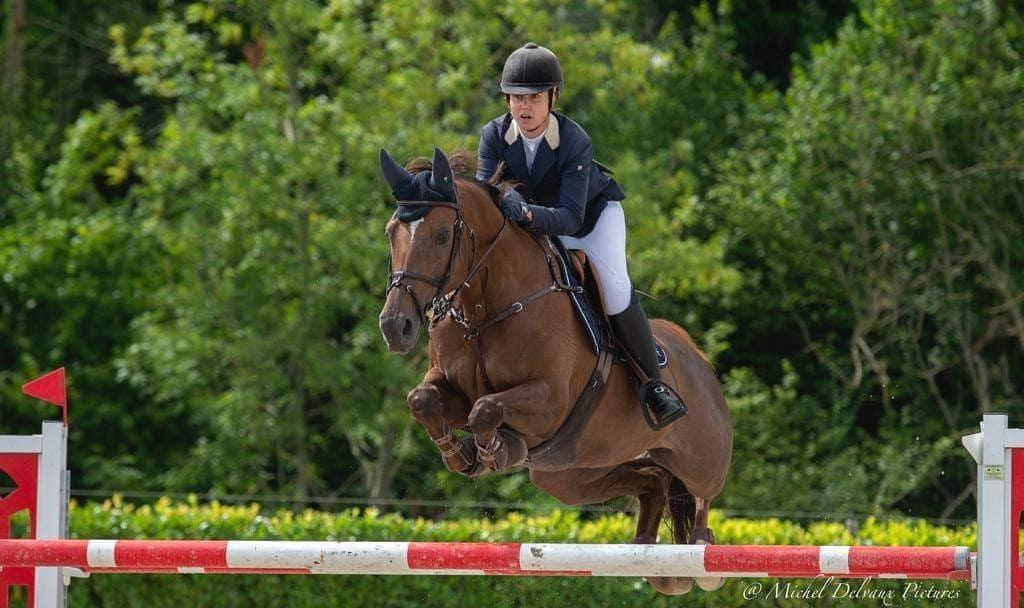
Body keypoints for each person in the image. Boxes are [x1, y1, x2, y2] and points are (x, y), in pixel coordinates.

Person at [475, 42, 687, 429]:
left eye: (534, 97)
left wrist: (524, 211)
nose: (524, 107)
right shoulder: (494, 135)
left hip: (591, 221)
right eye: (516, 98)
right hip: (534, 225)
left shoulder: (573, 140)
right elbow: (486, 193)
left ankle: (654, 386)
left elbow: (571, 218)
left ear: (553, 97)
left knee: (615, 287)